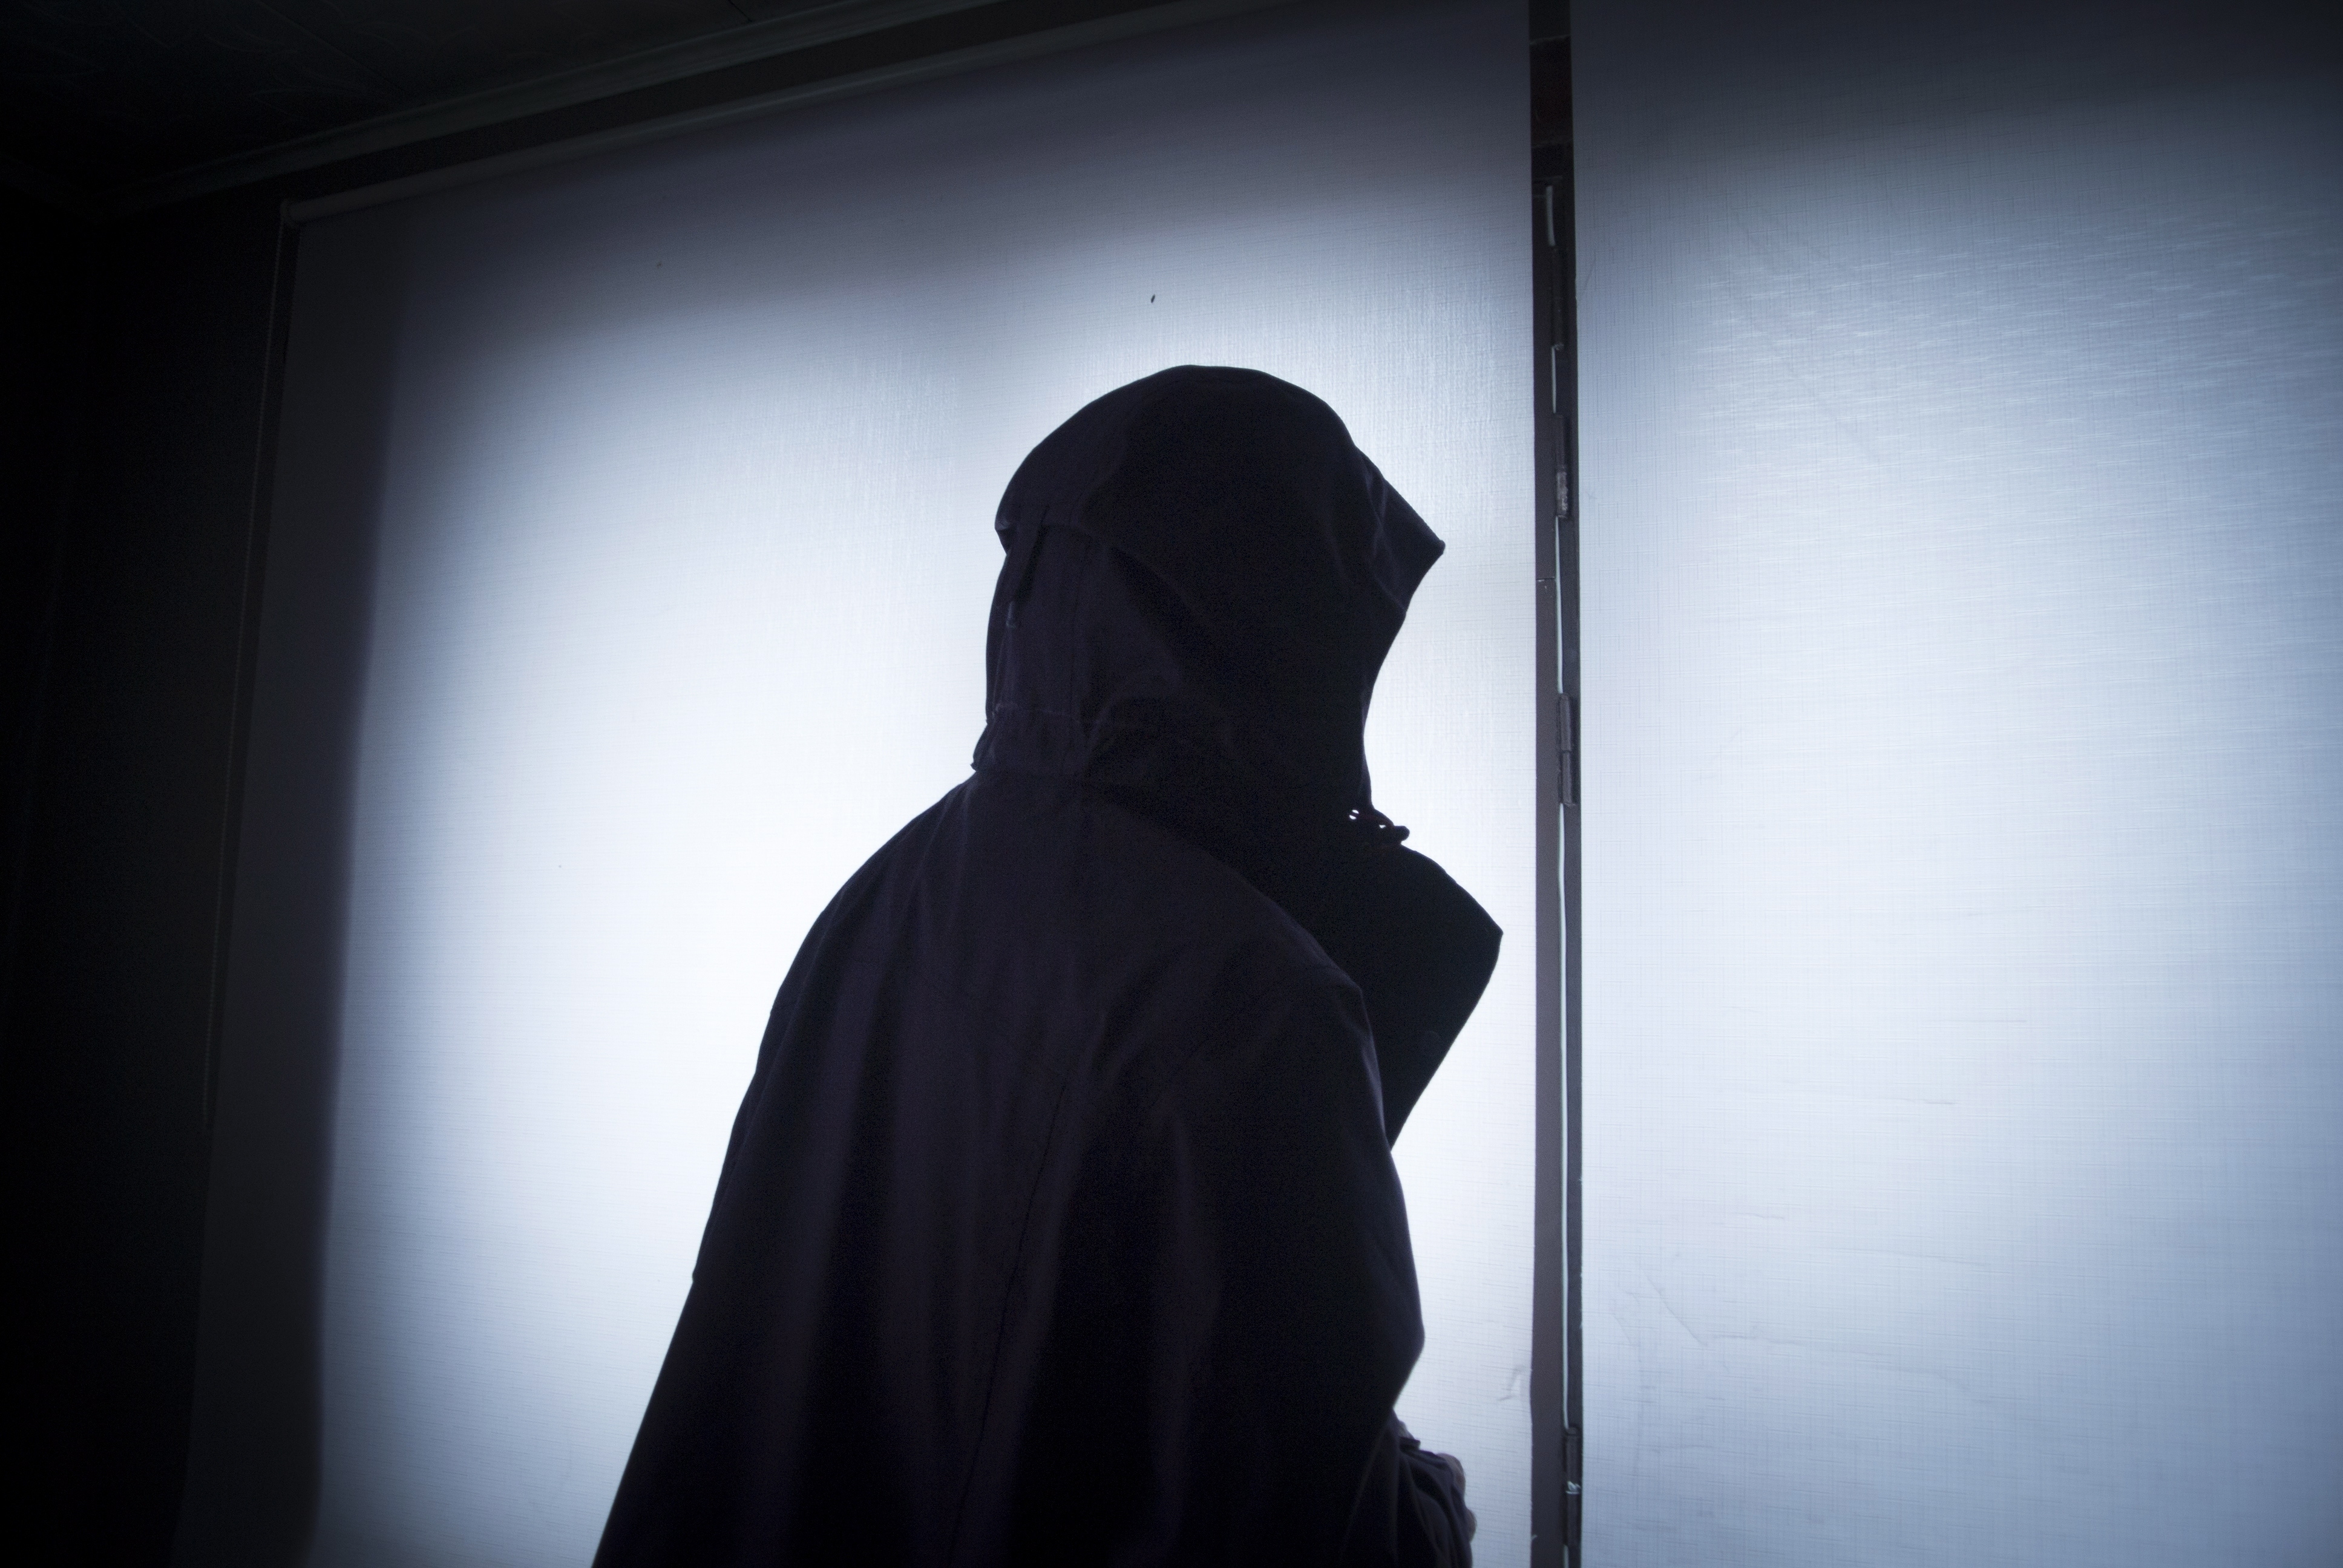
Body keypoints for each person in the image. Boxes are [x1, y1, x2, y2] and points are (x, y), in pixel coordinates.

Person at [592, 366, 1499, 1567]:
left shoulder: (890, 892)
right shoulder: (1258, 1002)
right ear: (1287, 630)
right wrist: (1432, 1507)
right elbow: (1299, 1519)